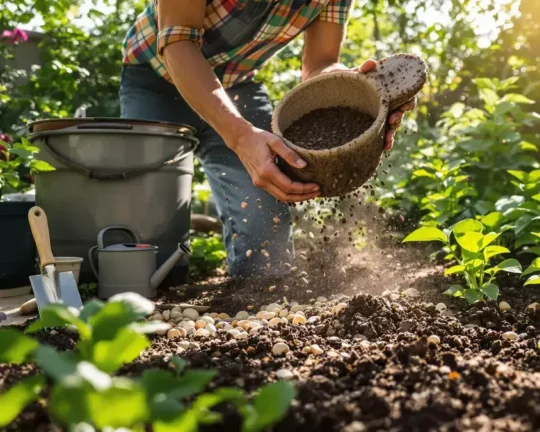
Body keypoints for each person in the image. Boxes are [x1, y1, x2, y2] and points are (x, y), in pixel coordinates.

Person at [119, 0, 414, 278]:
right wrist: (241, 136)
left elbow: (320, 64)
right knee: (150, 253)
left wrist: (358, 91)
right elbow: (178, 41)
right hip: (157, 79)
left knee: (266, 250)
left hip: (239, 85)